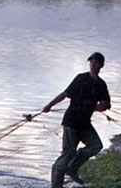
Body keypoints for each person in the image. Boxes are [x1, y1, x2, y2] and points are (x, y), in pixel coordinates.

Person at [42, 52, 111, 187]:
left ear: (101, 66)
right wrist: (49, 105)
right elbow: (64, 94)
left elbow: (107, 104)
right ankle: (56, 185)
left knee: (96, 146)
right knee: (67, 153)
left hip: (85, 124)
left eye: (95, 62)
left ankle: (72, 168)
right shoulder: (81, 79)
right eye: (91, 62)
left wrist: (99, 107)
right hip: (71, 122)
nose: (92, 64)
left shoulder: (101, 84)